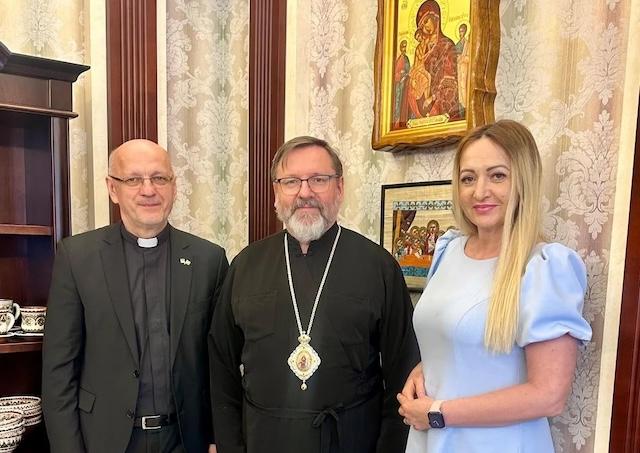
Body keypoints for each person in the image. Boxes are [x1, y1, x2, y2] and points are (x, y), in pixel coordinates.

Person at [209, 136, 419, 453]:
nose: (305, 192)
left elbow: (403, 373)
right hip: (263, 440)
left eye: (319, 180)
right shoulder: (246, 265)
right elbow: (221, 367)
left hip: (351, 441)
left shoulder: (379, 267)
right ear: (276, 191)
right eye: (291, 181)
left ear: (340, 187)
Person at [397, 120, 592, 452]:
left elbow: (549, 396)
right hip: (431, 437)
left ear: (523, 181)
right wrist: (424, 368)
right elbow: (460, 343)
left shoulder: (544, 267)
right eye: (468, 178)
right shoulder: (448, 249)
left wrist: (438, 413)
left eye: (497, 176)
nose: (480, 191)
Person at [42, 139, 229, 453]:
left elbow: (220, 364)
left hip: (186, 441)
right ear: (112, 189)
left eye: (159, 178)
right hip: (105, 441)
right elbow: (58, 371)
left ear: (174, 186)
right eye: (133, 179)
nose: (148, 190)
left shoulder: (209, 259)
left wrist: (217, 438)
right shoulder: (77, 258)